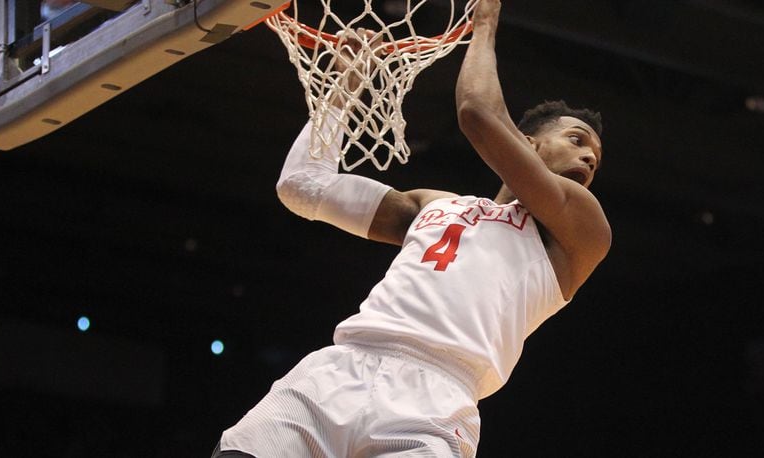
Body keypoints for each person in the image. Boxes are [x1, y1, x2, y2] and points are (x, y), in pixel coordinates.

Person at [212, 0, 610, 456]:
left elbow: (477, 112)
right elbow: (303, 186)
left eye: (595, 157)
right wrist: (344, 87)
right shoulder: (434, 204)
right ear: (526, 142)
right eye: (576, 140)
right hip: (339, 371)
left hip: (437, 401)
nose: (589, 158)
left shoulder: (582, 230)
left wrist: (483, 25)